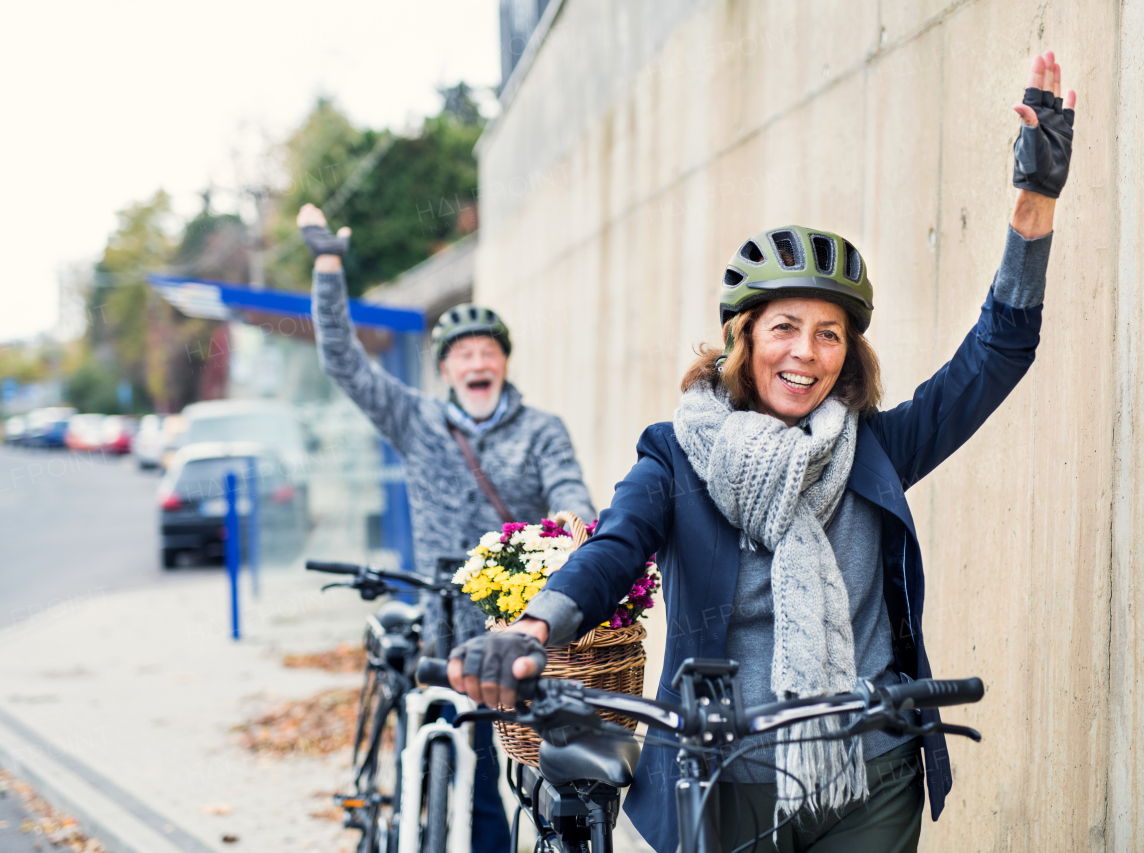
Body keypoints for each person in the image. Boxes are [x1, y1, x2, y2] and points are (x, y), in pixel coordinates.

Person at [448, 52, 1077, 853]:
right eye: (784, 327)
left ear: (847, 354)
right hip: (725, 776)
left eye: (828, 334)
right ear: (744, 340)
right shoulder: (675, 457)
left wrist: (1034, 206)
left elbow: (997, 354)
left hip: (871, 773)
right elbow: (615, 547)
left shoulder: (872, 447)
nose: (805, 353)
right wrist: (536, 627)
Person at [299, 202, 596, 853]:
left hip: (516, 620)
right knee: (455, 768)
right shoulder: (416, 420)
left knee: (546, 764)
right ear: (445, 371)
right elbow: (345, 363)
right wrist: (327, 266)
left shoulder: (541, 429)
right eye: (462, 353)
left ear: (503, 363)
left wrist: (574, 518)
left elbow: (569, 487)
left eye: (487, 350)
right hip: (442, 617)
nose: (476, 361)